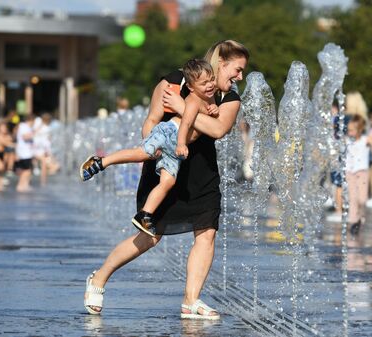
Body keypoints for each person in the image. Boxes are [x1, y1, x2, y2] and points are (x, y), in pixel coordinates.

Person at [83, 40, 249, 320]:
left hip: (202, 171)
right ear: (222, 63)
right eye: (238, 69)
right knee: (150, 237)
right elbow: (151, 120)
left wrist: (183, 108)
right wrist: (153, 144)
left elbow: (219, 129)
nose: (240, 77)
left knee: (207, 233)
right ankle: (99, 278)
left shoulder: (230, 97)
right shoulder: (175, 81)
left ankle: (191, 300)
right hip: (165, 165)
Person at [80, 59, 219, 237]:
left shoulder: (205, 98)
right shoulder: (193, 101)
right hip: (170, 134)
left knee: (168, 182)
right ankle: (100, 161)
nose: (210, 85)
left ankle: (144, 214)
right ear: (191, 88)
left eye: (212, 80)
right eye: (204, 83)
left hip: (173, 147)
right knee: (141, 153)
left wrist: (213, 108)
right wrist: (182, 143)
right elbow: (186, 123)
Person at [345, 114, 369, 234]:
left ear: (359, 130)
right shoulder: (347, 140)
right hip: (350, 173)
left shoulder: (365, 140)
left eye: (351, 130)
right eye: (348, 130)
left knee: (362, 199)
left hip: (362, 172)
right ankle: (353, 221)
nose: (349, 132)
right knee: (353, 198)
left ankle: (361, 217)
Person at [0, 119, 15, 192]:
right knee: (0, 167)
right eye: (2, 127)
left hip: (3, 153)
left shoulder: (7, 135)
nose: (4, 129)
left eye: (5, 127)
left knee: (2, 168)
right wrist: (14, 145)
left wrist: (11, 142)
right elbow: (5, 143)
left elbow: (10, 140)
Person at [15, 113, 36, 192]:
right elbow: (25, 137)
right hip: (24, 153)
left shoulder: (26, 127)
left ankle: (25, 185)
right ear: (30, 120)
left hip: (27, 152)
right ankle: (20, 185)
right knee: (26, 170)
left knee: (27, 170)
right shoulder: (23, 126)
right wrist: (34, 133)